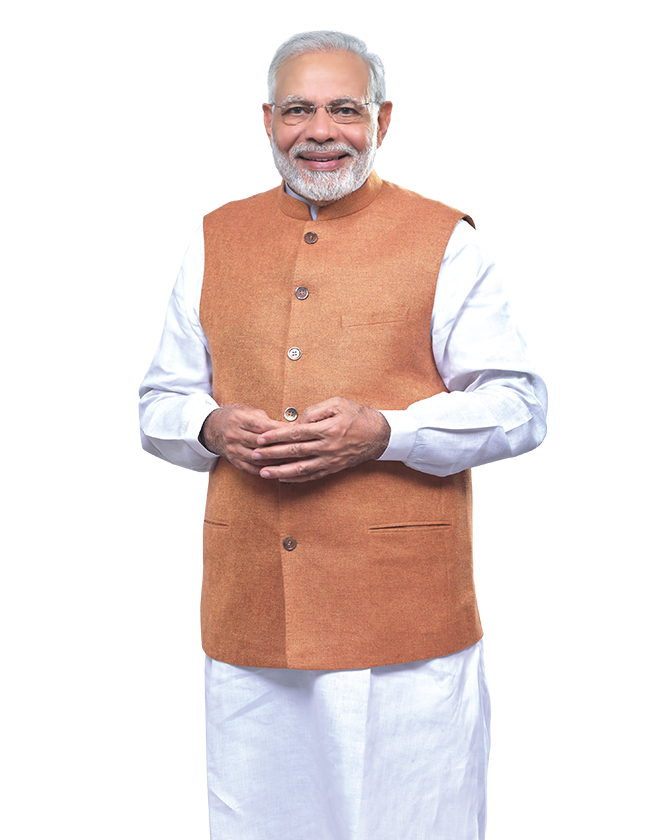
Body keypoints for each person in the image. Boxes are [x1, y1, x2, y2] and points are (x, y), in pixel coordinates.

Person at [139, 29, 547, 840]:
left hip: (401, 614)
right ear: (267, 123)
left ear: (381, 121)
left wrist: (385, 432)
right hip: (252, 606)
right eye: (297, 109)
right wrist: (209, 425)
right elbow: (160, 399)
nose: (320, 131)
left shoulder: (443, 239)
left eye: (344, 109)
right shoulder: (215, 238)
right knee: (259, 823)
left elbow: (517, 402)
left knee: (409, 821)